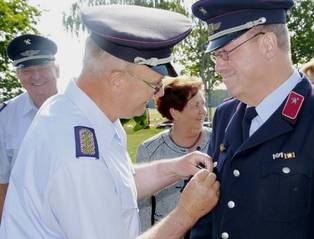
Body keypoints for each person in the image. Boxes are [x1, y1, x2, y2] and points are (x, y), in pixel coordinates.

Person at [0, 5, 219, 239]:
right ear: (117, 80)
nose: (158, 94)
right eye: (154, 84)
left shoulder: (81, 113)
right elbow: (92, 176)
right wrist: (186, 213)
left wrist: (174, 168)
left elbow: (116, 183)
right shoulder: (75, 154)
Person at [190, 0, 314, 238]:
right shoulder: (225, 116)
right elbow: (209, 222)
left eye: (225, 52)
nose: (218, 66)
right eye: (216, 55)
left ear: (268, 44)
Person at [137, 77, 211, 235]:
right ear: (175, 113)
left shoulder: (219, 142)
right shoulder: (149, 150)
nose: (203, 111)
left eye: (203, 104)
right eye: (196, 105)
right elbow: (143, 207)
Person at [0, 34, 59, 222]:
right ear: (18, 75)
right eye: (26, 70)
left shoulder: (82, 109)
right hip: (26, 225)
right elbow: (2, 183)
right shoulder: (5, 117)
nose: (36, 76)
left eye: (43, 67)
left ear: (57, 69)